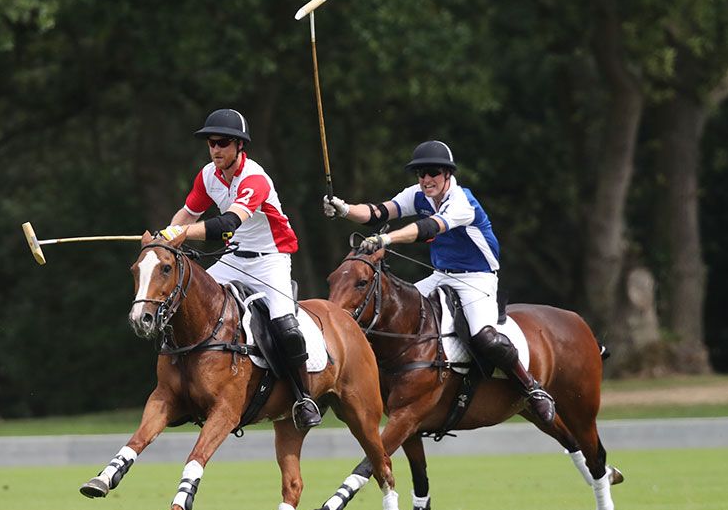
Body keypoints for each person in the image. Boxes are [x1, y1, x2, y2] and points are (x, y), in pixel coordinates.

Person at [322, 140, 555, 424]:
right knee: (393, 313)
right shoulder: (417, 194)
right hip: (440, 276)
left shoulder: (461, 202)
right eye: (420, 173)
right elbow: (378, 212)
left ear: (447, 174)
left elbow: (429, 227)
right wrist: (344, 208)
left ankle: (532, 388)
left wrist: (387, 238)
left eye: (432, 172)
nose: (425, 179)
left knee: (484, 336)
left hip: (477, 279)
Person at [159, 108, 322, 430]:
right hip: (234, 258)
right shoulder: (208, 175)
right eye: (210, 143)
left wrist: (181, 234)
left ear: (238, 146)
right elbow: (188, 213)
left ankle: (304, 398)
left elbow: (227, 222)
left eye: (221, 143)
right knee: (183, 302)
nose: (215, 149)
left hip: (270, 257)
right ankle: (179, 390)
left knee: (286, 325)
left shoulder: (255, 179)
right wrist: (164, 239)